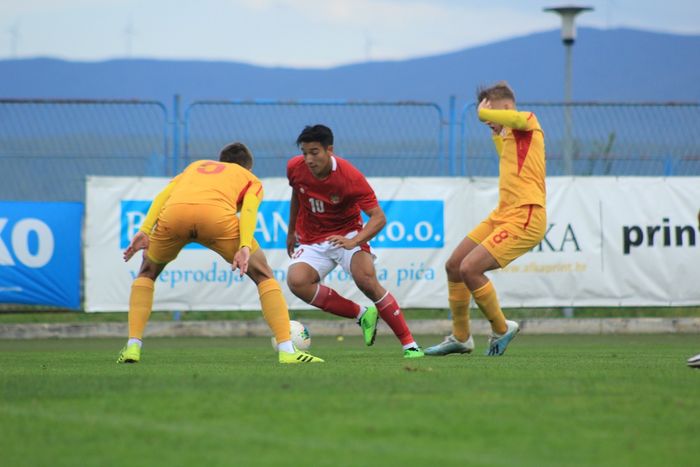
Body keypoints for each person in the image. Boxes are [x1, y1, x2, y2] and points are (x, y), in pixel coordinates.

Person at [118, 142, 324, 364]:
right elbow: (248, 210)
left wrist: (145, 230)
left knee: (147, 272)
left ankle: (132, 347)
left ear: (220, 161)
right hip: (216, 220)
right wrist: (244, 245)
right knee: (264, 275)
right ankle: (287, 350)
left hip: (174, 216)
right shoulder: (249, 178)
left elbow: (163, 196)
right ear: (248, 168)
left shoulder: (195, 167)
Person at [426, 81, 547, 357]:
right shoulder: (507, 136)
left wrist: (483, 113)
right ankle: (460, 337)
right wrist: (493, 126)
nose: (488, 122)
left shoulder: (528, 121)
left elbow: (511, 119)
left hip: (526, 215)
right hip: (503, 214)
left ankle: (502, 328)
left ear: (504, 107)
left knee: (471, 269)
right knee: (455, 266)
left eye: (492, 115)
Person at [285, 124, 424, 359]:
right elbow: (297, 194)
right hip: (312, 238)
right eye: (304, 152)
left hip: (347, 234)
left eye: (314, 152)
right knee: (297, 282)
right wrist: (291, 232)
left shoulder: (350, 177)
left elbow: (379, 218)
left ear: (330, 150)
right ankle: (362, 314)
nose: (308, 159)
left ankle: (410, 345)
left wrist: (355, 241)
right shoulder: (294, 167)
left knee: (366, 280)